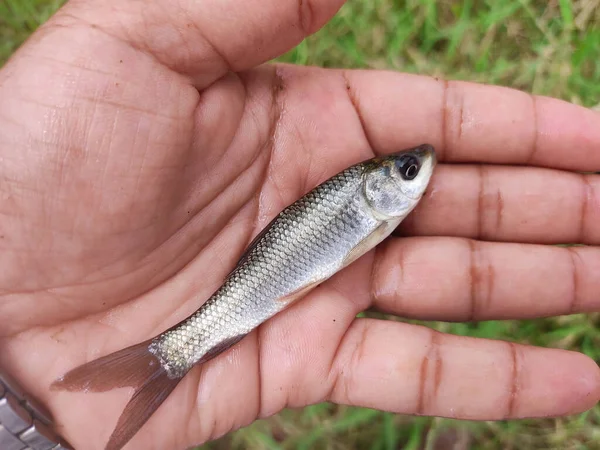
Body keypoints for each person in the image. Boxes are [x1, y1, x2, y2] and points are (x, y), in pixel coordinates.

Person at [0, 0, 598, 449]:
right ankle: (169, 355)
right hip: (239, 297)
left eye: (410, 168)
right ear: (379, 185)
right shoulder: (365, 201)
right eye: (409, 170)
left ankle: (167, 356)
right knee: (193, 337)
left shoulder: (370, 206)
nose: (422, 172)